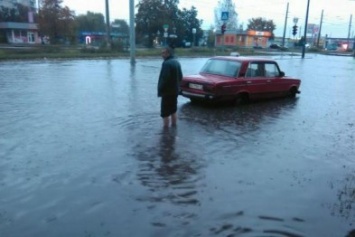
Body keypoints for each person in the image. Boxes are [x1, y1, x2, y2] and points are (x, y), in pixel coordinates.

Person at [157, 46, 183, 127]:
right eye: (161, 53)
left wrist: (160, 89)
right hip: (175, 91)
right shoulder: (177, 62)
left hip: (166, 92)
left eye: (164, 53)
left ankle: (165, 131)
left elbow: (164, 79)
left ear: (168, 53)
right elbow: (181, 77)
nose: (162, 55)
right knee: (173, 110)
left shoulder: (166, 63)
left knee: (165, 113)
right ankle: (174, 128)